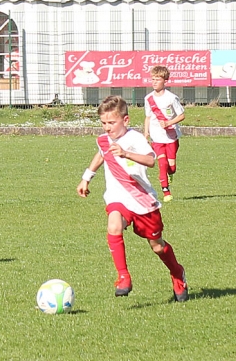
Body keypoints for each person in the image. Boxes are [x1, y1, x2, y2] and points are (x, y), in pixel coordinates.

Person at [77, 95, 189, 301]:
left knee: (157, 246)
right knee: (113, 226)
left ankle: (177, 272)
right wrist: (86, 177)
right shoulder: (104, 140)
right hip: (118, 197)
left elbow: (150, 160)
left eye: (112, 123)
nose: (107, 128)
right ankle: (123, 277)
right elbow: (101, 154)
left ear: (125, 120)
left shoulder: (135, 138)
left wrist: (126, 153)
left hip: (142, 200)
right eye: (103, 123)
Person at [142, 65, 185, 203]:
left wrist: (168, 123)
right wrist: (146, 133)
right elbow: (148, 117)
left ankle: (170, 173)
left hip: (171, 137)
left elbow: (182, 115)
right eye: (153, 79)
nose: (154, 82)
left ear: (165, 81)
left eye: (157, 79)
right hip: (156, 137)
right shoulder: (148, 98)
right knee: (162, 163)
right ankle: (166, 192)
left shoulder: (172, 98)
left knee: (171, 167)